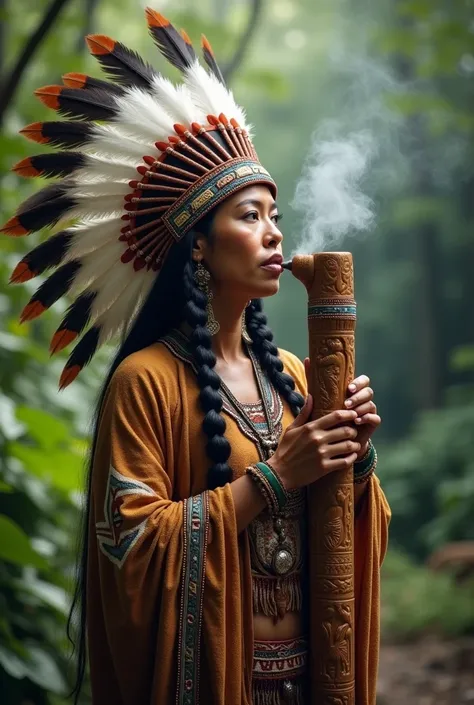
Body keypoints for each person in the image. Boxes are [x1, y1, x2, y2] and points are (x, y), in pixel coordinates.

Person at [1, 8, 390, 705]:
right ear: (200, 248)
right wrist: (275, 477)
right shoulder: (144, 382)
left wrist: (354, 461)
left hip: (313, 679)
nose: (274, 233)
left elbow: (353, 527)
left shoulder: (299, 378)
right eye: (249, 216)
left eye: (275, 214)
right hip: (218, 679)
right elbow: (131, 547)